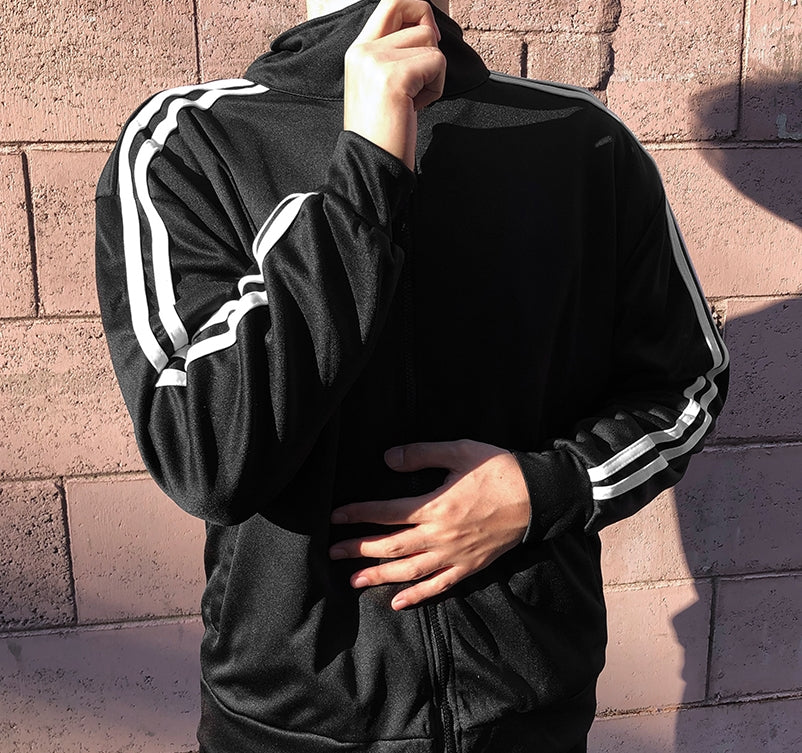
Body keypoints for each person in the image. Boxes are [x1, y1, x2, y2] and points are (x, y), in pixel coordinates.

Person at [95, 0, 729, 750]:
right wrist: (365, 169)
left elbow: (685, 386)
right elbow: (206, 454)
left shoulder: (583, 139)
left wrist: (548, 488)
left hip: (529, 715)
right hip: (294, 724)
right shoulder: (191, 141)